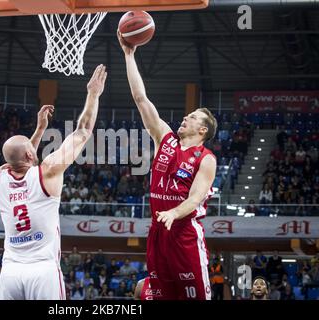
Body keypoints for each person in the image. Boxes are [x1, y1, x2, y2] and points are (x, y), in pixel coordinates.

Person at [118, 32, 217, 300]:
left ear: (203, 129)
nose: (186, 116)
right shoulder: (165, 137)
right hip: (158, 234)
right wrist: (129, 55)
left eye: (193, 117)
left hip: (184, 236)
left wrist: (174, 213)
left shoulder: (206, 158)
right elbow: (141, 99)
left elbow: (196, 199)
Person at [0, 65, 107, 300]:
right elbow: (83, 131)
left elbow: (19, 158)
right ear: (29, 155)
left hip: (11, 271)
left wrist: (38, 131)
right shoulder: (47, 172)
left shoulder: (0, 177)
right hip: (42, 270)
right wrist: (93, 94)